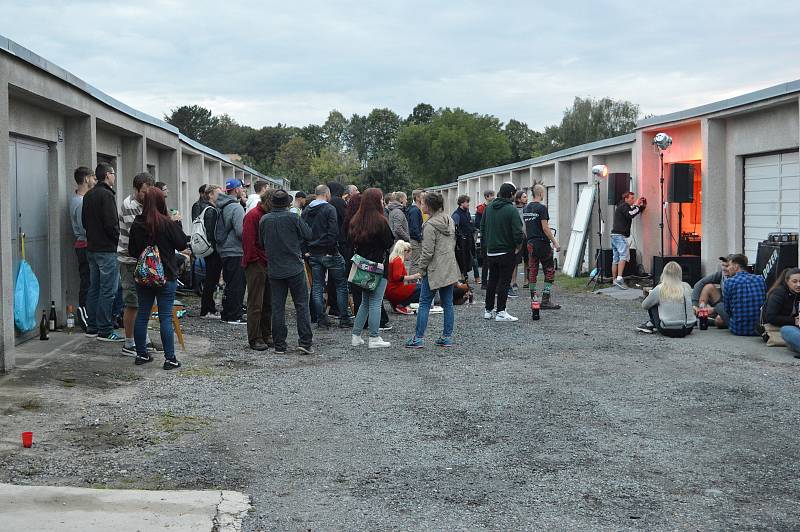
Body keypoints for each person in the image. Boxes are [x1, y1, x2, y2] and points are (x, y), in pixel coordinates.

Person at [128, 187, 188, 369]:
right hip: (166, 275)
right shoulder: (167, 223)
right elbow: (181, 243)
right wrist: (177, 222)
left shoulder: (137, 223)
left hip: (144, 277)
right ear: (162, 202)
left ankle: (141, 354)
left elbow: (132, 251)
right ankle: (170, 358)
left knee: (142, 315)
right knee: (164, 317)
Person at [259, 189, 314, 355]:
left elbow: (261, 243)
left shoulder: (264, 220)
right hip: (294, 267)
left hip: (275, 268)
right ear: (287, 203)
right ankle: (305, 341)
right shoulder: (293, 217)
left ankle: (280, 345)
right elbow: (308, 234)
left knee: (277, 307)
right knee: (301, 305)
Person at [406, 192, 461, 348]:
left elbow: (428, 252)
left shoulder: (430, 226)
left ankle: (418, 338)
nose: (421, 205)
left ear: (429, 206)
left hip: (434, 269)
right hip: (448, 267)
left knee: (424, 303)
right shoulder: (449, 220)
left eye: (422, 203)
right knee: (448, 303)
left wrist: (421, 270)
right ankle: (447, 337)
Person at [301, 184, 353, 328]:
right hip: (329, 252)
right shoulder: (329, 209)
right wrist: (331, 249)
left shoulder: (306, 211)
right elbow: (333, 231)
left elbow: (302, 232)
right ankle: (344, 318)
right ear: (327, 194)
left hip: (313, 253)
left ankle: (321, 319)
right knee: (341, 285)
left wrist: (305, 249)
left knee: (317, 286)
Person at [82, 163, 123, 342]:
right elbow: (111, 224)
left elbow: (84, 222)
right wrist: (118, 242)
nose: (115, 177)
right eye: (113, 174)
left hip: (91, 248)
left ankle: (92, 327)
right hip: (106, 250)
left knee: (94, 288)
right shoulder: (107, 195)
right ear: (108, 175)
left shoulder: (89, 194)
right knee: (108, 290)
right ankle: (105, 330)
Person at [349, 188, 395, 349]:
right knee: (375, 302)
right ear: (377, 201)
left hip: (362, 266)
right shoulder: (381, 221)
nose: (383, 201)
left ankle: (356, 335)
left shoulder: (356, 220)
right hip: (379, 267)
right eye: (381, 199)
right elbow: (389, 243)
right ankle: (374, 337)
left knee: (365, 303)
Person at [118, 172, 156, 356]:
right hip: (130, 260)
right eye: (143, 192)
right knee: (132, 302)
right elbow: (141, 232)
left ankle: (144, 338)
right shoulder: (130, 205)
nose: (146, 195)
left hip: (144, 259)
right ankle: (129, 342)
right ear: (135, 190)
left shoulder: (146, 203)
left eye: (149, 192)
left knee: (146, 302)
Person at [481, 182, 524, 322]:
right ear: (511, 194)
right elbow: (518, 232)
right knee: (504, 282)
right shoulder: (511, 210)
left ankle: (488, 310)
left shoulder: (488, 208)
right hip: (506, 251)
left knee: (492, 280)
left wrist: (487, 245)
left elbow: (482, 228)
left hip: (491, 251)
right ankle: (501, 311)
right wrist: (518, 246)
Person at [242, 189, 274, 351]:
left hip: (267, 262)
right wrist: (255, 261)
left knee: (267, 302)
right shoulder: (253, 215)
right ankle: (255, 337)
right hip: (256, 264)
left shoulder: (266, 215)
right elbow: (248, 242)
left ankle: (266, 334)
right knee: (255, 303)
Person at [523, 184, 561, 311]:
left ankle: (534, 299)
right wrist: (555, 242)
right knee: (549, 271)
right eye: (543, 192)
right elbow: (545, 227)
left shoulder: (526, 208)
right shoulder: (542, 208)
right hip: (542, 243)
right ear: (540, 194)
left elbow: (526, 227)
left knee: (532, 270)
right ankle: (545, 299)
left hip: (530, 244)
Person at [216, 178, 247, 325]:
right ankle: (235, 316)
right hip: (235, 250)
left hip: (223, 249)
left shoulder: (221, 205)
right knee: (237, 284)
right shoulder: (236, 207)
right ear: (236, 190)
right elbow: (241, 231)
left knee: (229, 283)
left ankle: (227, 313)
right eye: (242, 188)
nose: (244, 190)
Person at [637, 261, 696, 336]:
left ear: (664, 274)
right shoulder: (686, 287)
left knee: (653, 303)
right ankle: (650, 323)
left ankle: (650, 324)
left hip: (667, 328)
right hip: (687, 328)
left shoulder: (660, 289)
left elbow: (645, 305)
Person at [69, 166, 96, 331]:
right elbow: (84, 227)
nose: (94, 180)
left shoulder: (78, 199)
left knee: (89, 280)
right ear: (86, 179)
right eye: (93, 177)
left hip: (84, 245)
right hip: (85, 245)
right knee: (87, 281)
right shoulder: (80, 202)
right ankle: (84, 313)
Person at [724, 253, 766, 337]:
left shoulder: (729, 282)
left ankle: (710, 319)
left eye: (729, 265)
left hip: (739, 329)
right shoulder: (760, 279)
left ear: (736, 266)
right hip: (759, 328)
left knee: (719, 306)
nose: (727, 268)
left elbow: (727, 309)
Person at [611, 191, 646, 289]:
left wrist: (639, 207)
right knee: (624, 256)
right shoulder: (624, 206)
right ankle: (619, 279)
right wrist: (638, 206)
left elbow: (631, 211)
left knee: (616, 258)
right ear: (625, 199)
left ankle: (614, 280)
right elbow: (630, 214)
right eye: (631, 198)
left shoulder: (622, 207)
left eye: (633, 198)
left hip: (614, 235)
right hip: (619, 236)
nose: (633, 200)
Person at [760, 267, 800, 348]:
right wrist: (794, 321)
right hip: (775, 326)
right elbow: (771, 317)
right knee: (788, 331)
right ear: (787, 281)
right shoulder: (779, 293)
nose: (798, 285)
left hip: (791, 324)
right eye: (794, 281)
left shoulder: (796, 293)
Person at [199, 185, 223, 319]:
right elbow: (212, 232)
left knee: (211, 278)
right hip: (212, 250)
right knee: (211, 279)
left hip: (210, 249)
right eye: (218, 194)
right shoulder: (211, 210)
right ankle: (207, 309)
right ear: (210, 195)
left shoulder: (208, 208)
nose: (220, 196)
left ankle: (208, 307)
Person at [691, 256, 732, 328]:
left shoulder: (737, 279)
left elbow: (732, 304)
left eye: (727, 266)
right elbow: (700, 283)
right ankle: (701, 314)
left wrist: (714, 310)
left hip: (729, 307)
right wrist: (695, 304)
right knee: (708, 287)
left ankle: (709, 319)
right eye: (723, 265)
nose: (724, 268)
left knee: (719, 321)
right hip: (721, 302)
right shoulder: (721, 274)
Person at [386, 240, 420, 314]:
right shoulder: (398, 260)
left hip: (391, 290)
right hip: (394, 290)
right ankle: (402, 305)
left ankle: (398, 305)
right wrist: (414, 276)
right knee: (420, 288)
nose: (410, 256)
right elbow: (397, 277)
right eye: (409, 254)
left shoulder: (393, 259)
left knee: (415, 288)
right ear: (405, 252)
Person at [509, 189, 528, 297]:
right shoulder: (513, 209)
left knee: (527, 260)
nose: (526, 198)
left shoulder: (528, 208)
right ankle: (513, 281)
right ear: (518, 199)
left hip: (527, 237)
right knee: (515, 261)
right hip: (517, 238)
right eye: (524, 197)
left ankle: (526, 281)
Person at [475, 189, 495, 289]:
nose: (493, 197)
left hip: (493, 237)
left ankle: (491, 281)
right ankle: (484, 282)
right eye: (492, 196)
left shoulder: (494, 207)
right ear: (487, 197)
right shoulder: (481, 209)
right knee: (486, 261)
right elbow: (478, 224)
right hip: (485, 238)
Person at [452, 195, 474, 282]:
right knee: (462, 262)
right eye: (467, 202)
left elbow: (469, 225)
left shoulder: (467, 212)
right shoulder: (456, 214)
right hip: (461, 244)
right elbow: (455, 228)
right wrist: (461, 237)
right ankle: (463, 281)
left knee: (468, 262)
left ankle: (465, 280)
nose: (468, 204)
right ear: (461, 203)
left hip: (468, 241)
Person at [406, 189, 424, 275]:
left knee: (416, 262)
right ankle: (413, 284)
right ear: (417, 198)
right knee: (416, 262)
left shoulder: (415, 209)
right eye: (422, 196)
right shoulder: (415, 210)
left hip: (415, 239)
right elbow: (414, 227)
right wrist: (420, 238)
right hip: (415, 240)